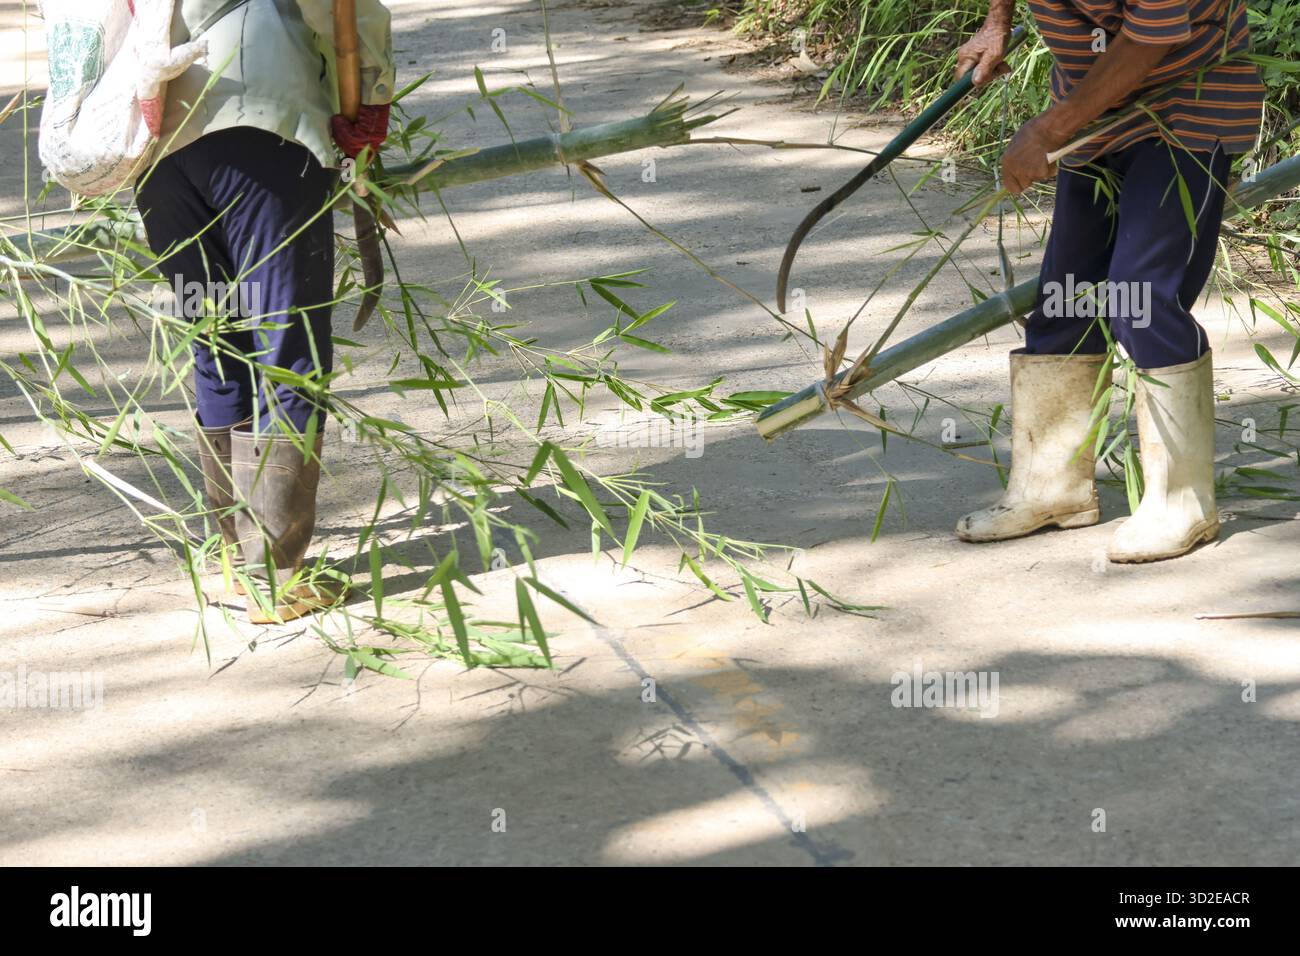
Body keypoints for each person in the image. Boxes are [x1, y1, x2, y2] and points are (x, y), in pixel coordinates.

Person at [952, 0, 1263, 562]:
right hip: (1092, 107)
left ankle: (1182, 500)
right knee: (1067, 295)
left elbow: (1152, 33)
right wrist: (996, 21)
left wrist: (1050, 127)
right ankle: (1052, 489)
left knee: (1140, 297)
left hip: (1185, 100)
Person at [135, 0, 395, 621]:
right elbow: (343, 12)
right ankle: (276, 577)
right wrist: (372, 99)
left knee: (217, 334)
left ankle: (234, 562)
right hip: (261, 124)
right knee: (287, 340)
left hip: (154, 150)